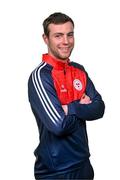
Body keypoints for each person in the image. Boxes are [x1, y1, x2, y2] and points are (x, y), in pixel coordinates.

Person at [28, 12, 105, 180]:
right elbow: (58, 126)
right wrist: (84, 106)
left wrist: (70, 107)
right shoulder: (40, 77)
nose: (66, 41)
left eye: (70, 35)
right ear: (45, 39)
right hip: (55, 171)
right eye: (58, 36)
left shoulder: (79, 70)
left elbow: (99, 108)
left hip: (84, 164)